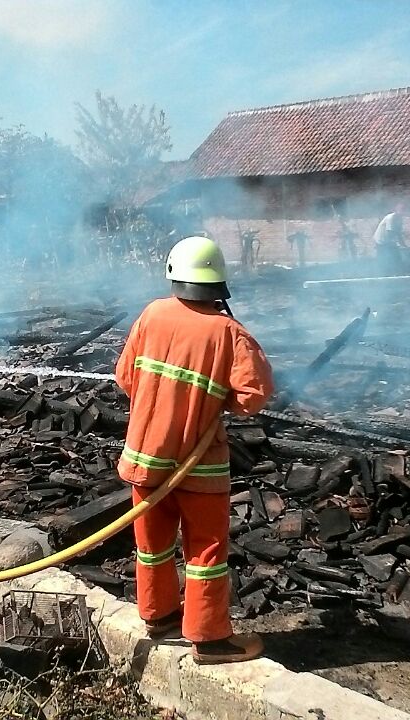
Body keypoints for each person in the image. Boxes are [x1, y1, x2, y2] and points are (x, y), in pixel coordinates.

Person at [115, 236, 274, 665]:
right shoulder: (228, 332)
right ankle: (209, 640)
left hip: (144, 458)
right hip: (197, 465)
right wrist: (211, 400)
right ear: (219, 282)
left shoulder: (152, 314)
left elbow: (126, 377)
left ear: (173, 274)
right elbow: (253, 396)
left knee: (152, 544)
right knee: (205, 552)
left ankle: (159, 616)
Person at [372, 203, 404, 272]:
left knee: (395, 254)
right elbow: (390, 232)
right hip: (381, 240)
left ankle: (397, 271)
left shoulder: (400, 219)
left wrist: (404, 245)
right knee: (384, 257)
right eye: (401, 210)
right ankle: (381, 272)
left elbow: (399, 234)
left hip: (388, 241)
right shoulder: (390, 218)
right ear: (396, 210)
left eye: (403, 210)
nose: (402, 212)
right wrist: (396, 243)